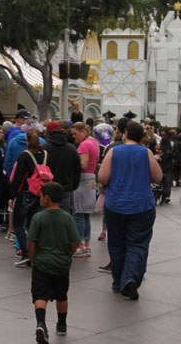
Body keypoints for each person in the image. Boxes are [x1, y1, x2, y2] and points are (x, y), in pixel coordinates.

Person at [97, 121, 163, 300]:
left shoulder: (114, 152)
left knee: (117, 244)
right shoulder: (146, 153)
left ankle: (118, 281)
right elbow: (158, 176)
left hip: (116, 204)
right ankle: (131, 278)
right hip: (142, 205)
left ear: (125, 133)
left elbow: (102, 177)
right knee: (138, 244)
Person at [26, 182, 79, 344]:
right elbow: (75, 241)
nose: (40, 199)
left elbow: (31, 241)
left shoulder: (38, 218)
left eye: (41, 196)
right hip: (62, 264)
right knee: (61, 295)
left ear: (47, 199)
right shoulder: (67, 218)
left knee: (40, 295)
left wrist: (33, 259)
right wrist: (68, 255)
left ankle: (41, 324)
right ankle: (62, 325)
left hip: (42, 263)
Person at [10, 129, 48, 267]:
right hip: (39, 192)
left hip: (25, 193)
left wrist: (12, 195)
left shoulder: (24, 156)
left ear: (27, 140)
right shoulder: (44, 154)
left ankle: (26, 253)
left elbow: (18, 178)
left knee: (18, 224)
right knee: (33, 224)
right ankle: (35, 252)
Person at [72, 122, 99, 257]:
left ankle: (79, 245)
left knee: (78, 213)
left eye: (75, 133)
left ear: (83, 131)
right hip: (91, 178)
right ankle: (86, 245)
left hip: (83, 180)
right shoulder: (93, 142)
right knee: (85, 214)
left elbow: (83, 164)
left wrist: (71, 164)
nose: (74, 136)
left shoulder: (84, 145)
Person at [43, 121, 81, 215]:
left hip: (47, 189)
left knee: (47, 217)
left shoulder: (44, 149)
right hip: (65, 188)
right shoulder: (71, 148)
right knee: (64, 216)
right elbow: (77, 169)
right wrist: (73, 185)